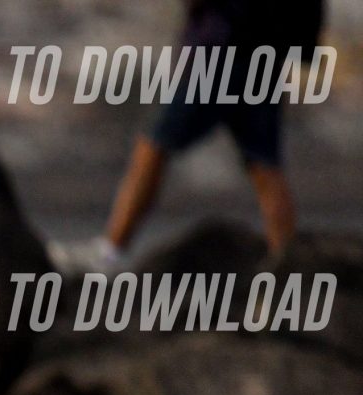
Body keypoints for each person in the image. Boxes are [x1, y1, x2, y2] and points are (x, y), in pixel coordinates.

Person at [98, 0, 324, 262]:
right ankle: (286, 260)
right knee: (265, 167)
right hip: (263, 59)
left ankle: (110, 252)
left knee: (153, 146)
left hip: (217, 53)